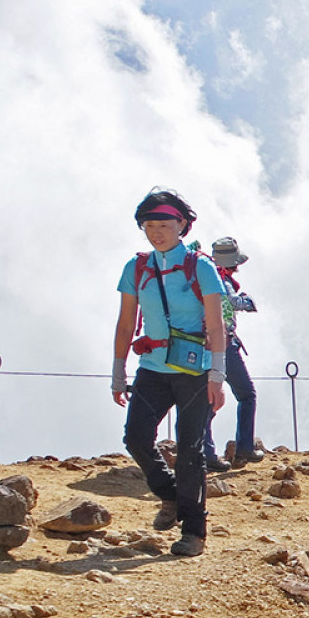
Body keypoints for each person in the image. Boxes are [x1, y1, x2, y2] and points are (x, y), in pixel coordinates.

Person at [111, 190, 226, 558]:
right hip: (152, 368)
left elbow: (216, 325)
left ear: (182, 225)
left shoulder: (201, 267)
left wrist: (218, 376)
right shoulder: (136, 268)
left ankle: (194, 531)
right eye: (149, 225)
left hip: (195, 371)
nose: (156, 232)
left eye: (164, 224)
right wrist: (118, 372)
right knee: (136, 437)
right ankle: (171, 494)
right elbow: (126, 322)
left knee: (191, 451)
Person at [200, 238, 263, 470]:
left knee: (206, 401)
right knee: (247, 394)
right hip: (225, 344)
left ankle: (206, 453)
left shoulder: (201, 276)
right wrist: (247, 301)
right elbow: (231, 301)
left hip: (202, 344)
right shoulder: (221, 280)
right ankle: (244, 446)